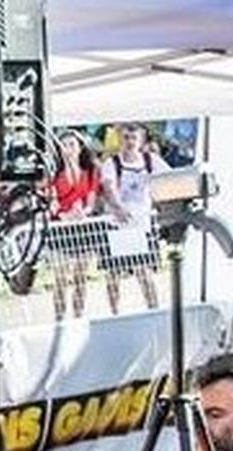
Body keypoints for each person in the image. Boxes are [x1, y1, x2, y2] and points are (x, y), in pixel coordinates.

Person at [100, 123, 168, 313]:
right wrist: (118, 207)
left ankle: (154, 310)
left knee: (144, 273)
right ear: (120, 140)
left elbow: (168, 175)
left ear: (141, 141)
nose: (130, 142)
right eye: (126, 138)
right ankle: (115, 313)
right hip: (118, 225)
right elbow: (108, 186)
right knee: (113, 275)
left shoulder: (150, 160)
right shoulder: (111, 163)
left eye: (134, 138)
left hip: (141, 225)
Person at [45, 130, 102, 321]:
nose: (68, 149)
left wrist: (82, 212)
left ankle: (78, 315)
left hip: (83, 227)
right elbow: (52, 201)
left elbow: (91, 200)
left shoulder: (91, 170)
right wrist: (63, 215)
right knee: (60, 278)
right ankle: (59, 318)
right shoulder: (53, 172)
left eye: (72, 145)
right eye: (64, 146)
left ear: (79, 148)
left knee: (80, 277)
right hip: (61, 228)